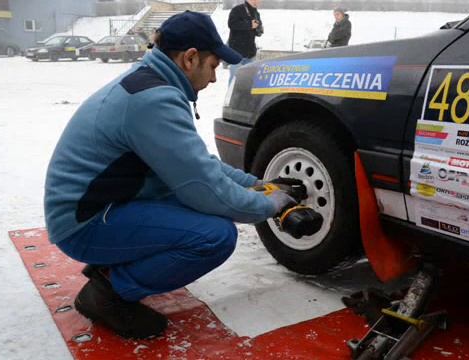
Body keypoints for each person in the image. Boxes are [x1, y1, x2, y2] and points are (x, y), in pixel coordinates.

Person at [43, 11, 296, 340]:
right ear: (190, 58)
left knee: (195, 211)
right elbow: (204, 188)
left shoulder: (148, 83)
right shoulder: (153, 100)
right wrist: (268, 205)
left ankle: (113, 264)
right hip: (84, 224)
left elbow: (197, 165)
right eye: (214, 67)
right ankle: (108, 294)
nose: (215, 79)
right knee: (214, 236)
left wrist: (254, 185)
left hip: (100, 206)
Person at [227, 0, 263, 82]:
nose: (260, 1)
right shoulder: (237, 10)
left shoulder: (256, 13)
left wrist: (259, 30)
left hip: (250, 54)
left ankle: (244, 95)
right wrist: (250, 24)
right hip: (236, 53)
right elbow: (231, 24)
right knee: (234, 81)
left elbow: (257, 30)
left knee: (248, 81)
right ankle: (232, 94)